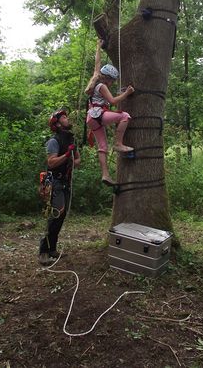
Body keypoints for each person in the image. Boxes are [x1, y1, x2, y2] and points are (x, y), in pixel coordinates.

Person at [85, 40, 134, 186]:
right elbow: (113, 102)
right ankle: (118, 143)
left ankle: (105, 175)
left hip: (91, 118)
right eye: (112, 80)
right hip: (99, 114)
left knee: (102, 147)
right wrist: (127, 93)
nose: (112, 83)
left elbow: (97, 64)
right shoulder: (102, 86)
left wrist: (98, 48)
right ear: (107, 78)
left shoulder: (95, 80)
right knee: (125, 116)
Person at [39, 109, 81, 266]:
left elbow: (78, 161)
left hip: (65, 181)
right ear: (56, 123)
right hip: (54, 180)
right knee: (56, 213)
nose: (67, 118)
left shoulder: (70, 139)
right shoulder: (54, 141)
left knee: (61, 216)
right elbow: (51, 162)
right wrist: (66, 156)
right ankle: (43, 251)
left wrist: (72, 159)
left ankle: (52, 249)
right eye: (64, 117)